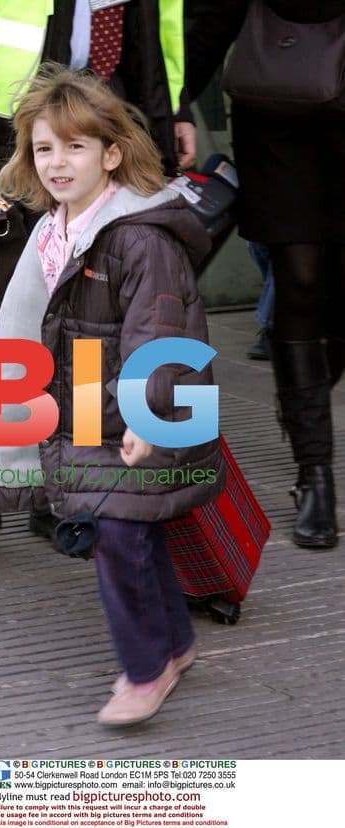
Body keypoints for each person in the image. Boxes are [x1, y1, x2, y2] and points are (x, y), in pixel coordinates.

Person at [0, 0, 198, 565]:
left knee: (86, 325)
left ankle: (59, 491)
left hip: (103, 121)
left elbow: (155, 20)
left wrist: (171, 111)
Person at [0, 65, 225, 725]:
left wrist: (148, 412)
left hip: (152, 403)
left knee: (118, 535)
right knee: (133, 530)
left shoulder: (140, 235)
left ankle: (143, 672)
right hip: (92, 403)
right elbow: (32, 327)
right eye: (44, 148)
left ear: (112, 153)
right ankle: (173, 648)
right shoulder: (54, 229)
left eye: (76, 146)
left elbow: (161, 327)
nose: (58, 162)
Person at [184, 0, 344, 548]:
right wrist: (177, 103)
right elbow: (212, 21)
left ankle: (306, 390)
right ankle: (314, 472)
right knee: (298, 281)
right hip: (278, 119)